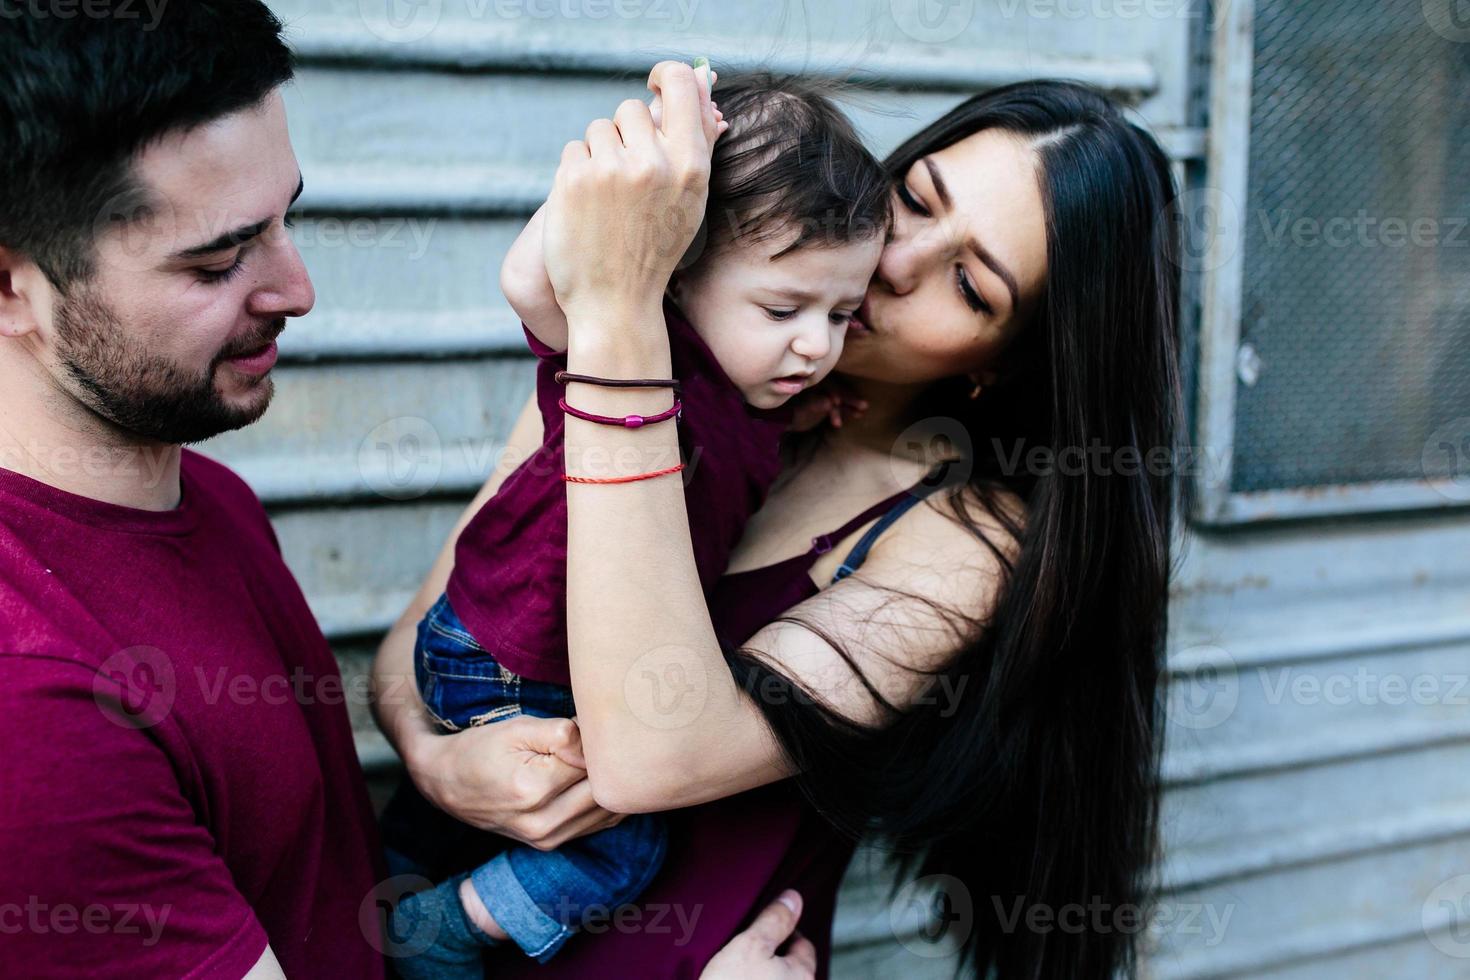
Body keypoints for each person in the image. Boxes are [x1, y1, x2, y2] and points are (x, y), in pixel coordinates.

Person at [0, 9, 833, 979]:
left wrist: (438, 763)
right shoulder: (36, 712)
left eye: (286, 219)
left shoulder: (204, 492)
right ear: (12, 287)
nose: (299, 287)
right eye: (219, 259)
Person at [374, 62, 1184, 979]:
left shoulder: (966, 539)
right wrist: (434, 758)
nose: (897, 262)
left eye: (969, 286)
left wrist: (618, 313)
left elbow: (652, 752)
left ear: (999, 362)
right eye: (915, 200)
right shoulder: (667, 349)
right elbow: (419, 639)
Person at [387, 71, 889, 974]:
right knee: (622, 847)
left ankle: (414, 874)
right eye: (783, 310)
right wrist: (660, 139)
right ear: (673, 273)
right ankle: (443, 931)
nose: (817, 343)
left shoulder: (759, 396)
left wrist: (812, 412)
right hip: (501, 653)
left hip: (529, 655)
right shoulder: (632, 351)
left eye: (843, 313)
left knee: (519, 814)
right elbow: (528, 277)